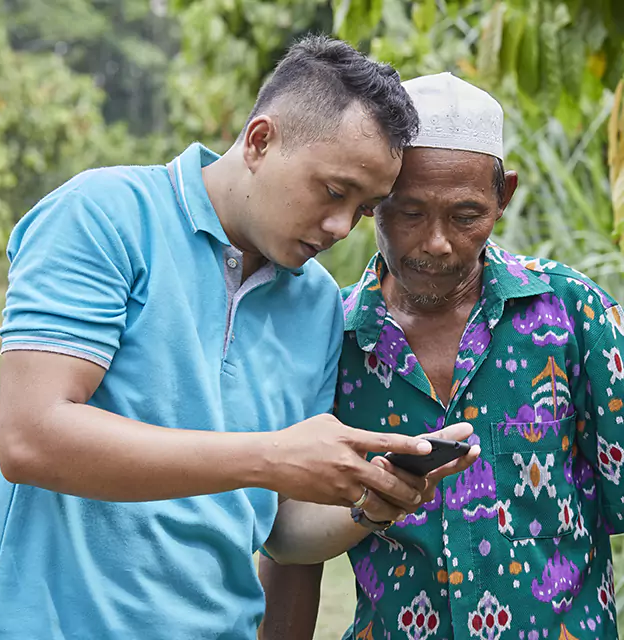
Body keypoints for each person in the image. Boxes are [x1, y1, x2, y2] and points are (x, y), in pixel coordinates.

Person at [0, 38, 475, 640]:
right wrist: (271, 456)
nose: (341, 227)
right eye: (333, 190)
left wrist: (371, 502)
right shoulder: (102, 217)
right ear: (259, 140)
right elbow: (32, 438)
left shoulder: (317, 302)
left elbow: (284, 533)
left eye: (365, 208)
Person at [259, 72, 624, 640]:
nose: (436, 242)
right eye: (408, 213)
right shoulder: (329, 337)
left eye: (465, 215)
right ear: (372, 204)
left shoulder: (575, 314)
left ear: (505, 198)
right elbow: (288, 542)